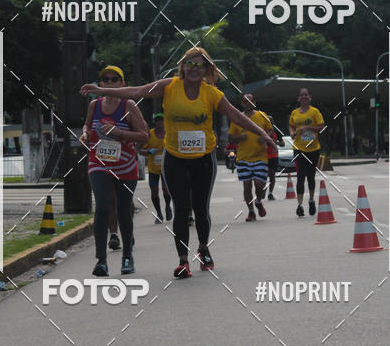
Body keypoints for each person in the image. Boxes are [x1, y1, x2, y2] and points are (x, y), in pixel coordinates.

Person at [81, 47, 276, 278]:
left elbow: (236, 116)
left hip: (203, 159)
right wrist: (101, 90)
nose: (194, 69)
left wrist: (263, 134)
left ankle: (203, 248)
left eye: (199, 65)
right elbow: (137, 91)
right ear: (182, 67)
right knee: (182, 208)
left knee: (201, 209)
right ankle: (183, 261)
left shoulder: (211, 94)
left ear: (206, 70)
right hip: (174, 158)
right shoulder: (169, 86)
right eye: (190, 64)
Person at [80, 65, 149, 277]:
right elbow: (87, 126)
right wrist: (85, 135)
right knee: (101, 207)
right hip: (98, 162)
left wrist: (120, 132)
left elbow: (144, 135)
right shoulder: (94, 104)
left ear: (122, 84)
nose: (109, 83)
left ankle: (127, 256)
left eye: (114, 79)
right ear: (100, 84)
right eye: (105, 79)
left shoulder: (128, 105)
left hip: (125, 164)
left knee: (123, 209)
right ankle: (101, 260)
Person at [228, 93, 272, 222]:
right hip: (243, 158)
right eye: (245, 101)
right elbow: (230, 137)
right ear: (242, 103)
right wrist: (239, 138)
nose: (248, 103)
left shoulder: (262, 116)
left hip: (260, 156)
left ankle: (258, 201)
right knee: (247, 186)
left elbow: (270, 130)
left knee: (259, 184)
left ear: (254, 102)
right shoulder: (237, 118)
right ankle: (251, 211)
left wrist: (263, 136)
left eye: (250, 101)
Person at [288, 88, 325, 217]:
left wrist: (309, 128)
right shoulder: (294, 113)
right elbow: (291, 125)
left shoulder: (315, 112)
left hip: (313, 149)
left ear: (310, 97)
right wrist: (292, 132)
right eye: (301, 95)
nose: (304, 97)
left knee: (310, 177)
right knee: (300, 177)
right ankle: (300, 205)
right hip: (299, 148)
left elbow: (321, 127)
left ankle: (311, 200)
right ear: (298, 98)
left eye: (306, 95)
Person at [141, 113, 172, 224]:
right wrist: (149, 151)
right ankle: (159, 213)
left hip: (166, 167)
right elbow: (140, 150)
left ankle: (168, 207)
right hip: (153, 168)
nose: (159, 123)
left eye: (161, 120)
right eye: (157, 121)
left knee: (166, 190)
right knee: (154, 192)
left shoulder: (169, 133)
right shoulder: (150, 134)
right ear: (155, 122)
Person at [265, 122, 285, 200]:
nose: (270, 123)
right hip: (264, 156)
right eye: (268, 121)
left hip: (274, 156)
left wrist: (276, 142)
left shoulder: (276, 131)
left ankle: (270, 193)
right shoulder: (262, 130)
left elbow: (282, 143)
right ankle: (262, 190)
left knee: (272, 174)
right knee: (264, 175)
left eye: (271, 122)